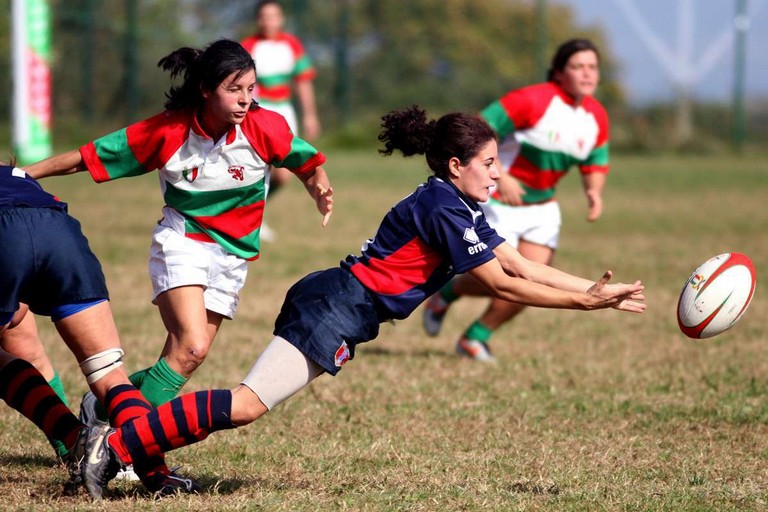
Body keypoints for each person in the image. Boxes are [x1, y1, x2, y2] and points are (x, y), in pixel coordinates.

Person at [75, 106, 645, 500]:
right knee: (247, 405)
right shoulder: (445, 207)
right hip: (336, 307)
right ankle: (120, 445)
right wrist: (583, 307)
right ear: (456, 165)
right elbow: (501, 284)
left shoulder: (456, 203)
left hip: (340, 305)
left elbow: (520, 263)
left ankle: (142, 458)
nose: (499, 173)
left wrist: (591, 291)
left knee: (250, 404)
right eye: (491, 163)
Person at [25, 39, 333, 479]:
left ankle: (107, 404)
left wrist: (319, 188)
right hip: (183, 240)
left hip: (232, 256)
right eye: (235, 89)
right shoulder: (168, 131)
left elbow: (305, 162)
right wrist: (23, 174)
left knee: (186, 357)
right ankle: (125, 446)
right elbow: (89, 158)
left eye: (251, 87)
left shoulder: (266, 126)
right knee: (191, 342)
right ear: (206, 89)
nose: (246, 99)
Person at [0, 163, 197, 497]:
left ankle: (76, 438)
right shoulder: (18, 178)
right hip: (60, 233)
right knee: (108, 373)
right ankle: (154, 472)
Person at [422, 38, 611, 362]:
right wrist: (502, 175)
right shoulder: (533, 100)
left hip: (543, 207)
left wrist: (593, 190)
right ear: (559, 72)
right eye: (578, 66)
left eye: (592, 67)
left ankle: (475, 337)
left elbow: (596, 159)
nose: (587, 73)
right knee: (507, 275)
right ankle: (449, 292)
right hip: (497, 200)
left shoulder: (596, 116)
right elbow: (480, 126)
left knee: (533, 276)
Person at [240, 0, 322, 240]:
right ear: (258, 19)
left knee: (283, 175)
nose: (269, 21)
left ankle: (253, 215)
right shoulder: (248, 47)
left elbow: (303, 81)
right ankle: (246, 218)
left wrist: (310, 115)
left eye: (274, 16)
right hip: (256, 111)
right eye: (264, 16)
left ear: (281, 19)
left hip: (285, 111)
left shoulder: (291, 45)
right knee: (255, 168)